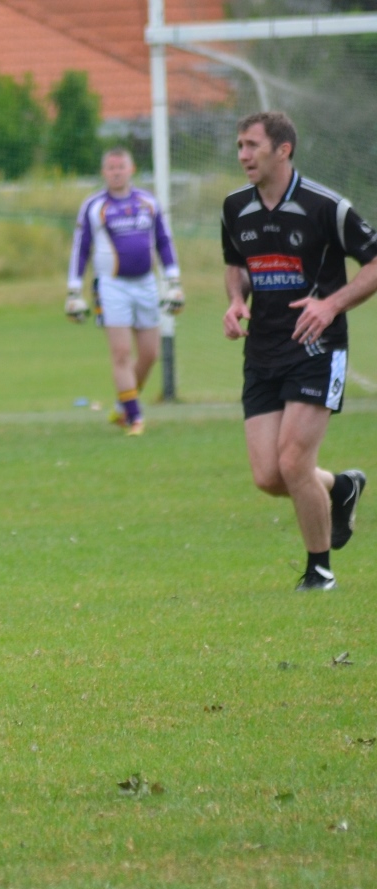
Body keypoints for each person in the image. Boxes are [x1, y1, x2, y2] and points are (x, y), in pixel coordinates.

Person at [222, 111, 377, 591]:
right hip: (263, 350)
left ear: (282, 150)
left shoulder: (326, 206)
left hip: (317, 348)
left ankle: (320, 571)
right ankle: (341, 486)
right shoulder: (233, 207)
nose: (243, 154)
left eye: (252, 145)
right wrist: (234, 302)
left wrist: (331, 305)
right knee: (270, 476)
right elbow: (236, 264)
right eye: (241, 145)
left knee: (293, 462)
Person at [66, 148, 184, 436]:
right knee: (121, 353)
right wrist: (74, 291)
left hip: (146, 284)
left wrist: (174, 281)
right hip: (111, 286)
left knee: (149, 354)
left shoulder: (147, 202)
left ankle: (123, 405)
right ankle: (135, 417)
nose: (116, 172)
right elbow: (81, 249)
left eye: (121, 167)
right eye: (110, 167)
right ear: (103, 172)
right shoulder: (95, 205)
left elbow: (164, 241)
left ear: (131, 170)